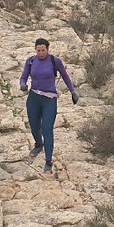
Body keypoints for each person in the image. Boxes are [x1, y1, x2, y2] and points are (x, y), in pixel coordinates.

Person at [19, 38, 78, 175]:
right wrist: (22, 85)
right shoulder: (31, 61)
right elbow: (23, 77)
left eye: (43, 50)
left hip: (49, 100)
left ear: (47, 49)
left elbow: (65, 76)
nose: (41, 53)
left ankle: (48, 161)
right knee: (34, 126)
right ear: (35, 49)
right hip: (33, 98)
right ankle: (38, 145)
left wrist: (73, 92)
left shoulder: (54, 61)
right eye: (38, 50)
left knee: (47, 129)